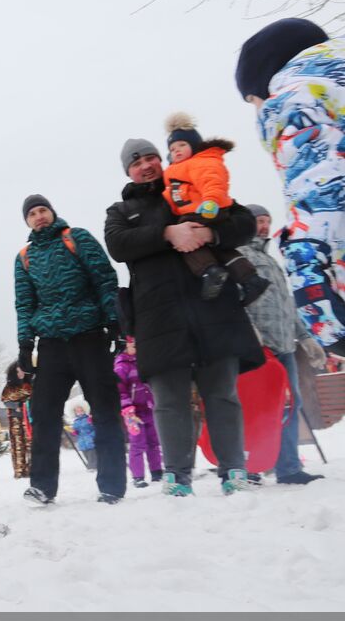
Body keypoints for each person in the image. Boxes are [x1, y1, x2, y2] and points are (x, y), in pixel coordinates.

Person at [105, 139, 263, 497]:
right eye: (137, 162)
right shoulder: (121, 211)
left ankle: (234, 470)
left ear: (161, 161)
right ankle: (177, 476)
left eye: (151, 158)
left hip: (213, 309)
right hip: (159, 318)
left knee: (222, 394)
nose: (146, 165)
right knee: (169, 402)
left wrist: (211, 232)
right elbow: (117, 244)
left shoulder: (190, 185)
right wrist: (166, 233)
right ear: (128, 171)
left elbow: (244, 223)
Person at [236, 17, 345, 349]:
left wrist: (313, 292)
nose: (257, 111)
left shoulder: (294, 102)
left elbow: (320, 189)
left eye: (252, 101)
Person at [14, 194, 126, 505]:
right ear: (27, 221)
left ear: (52, 212)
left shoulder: (76, 238)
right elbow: (24, 304)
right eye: (32, 214)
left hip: (88, 336)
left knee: (104, 409)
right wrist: (25, 344)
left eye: (43, 210)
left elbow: (105, 279)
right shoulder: (24, 257)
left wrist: (114, 322)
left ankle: (112, 485)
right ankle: (42, 486)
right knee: (43, 413)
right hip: (52, 344)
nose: (39, 216)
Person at [242, 204, 328, 484]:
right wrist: (249, 332)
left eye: (267, 221)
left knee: (290, 404)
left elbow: (287, 305)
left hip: (284, 346)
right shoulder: (239, 256)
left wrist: (306, 338)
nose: (265, 226)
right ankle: (252, 467)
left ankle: (288, 468)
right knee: (258, 406)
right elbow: (235, 299)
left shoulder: (270, 260)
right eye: (259, 221)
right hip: (259, 348)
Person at [161, 113, 268, 303]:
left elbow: (213, 182)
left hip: (206, 209)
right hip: (200, 210)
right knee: (220, 247)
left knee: (187, 241)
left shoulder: (200, 162)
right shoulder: (178, 169)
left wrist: (211, 202)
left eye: (182, 145)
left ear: (195, 146)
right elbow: (173, 194)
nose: (177, 151)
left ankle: (210, 271)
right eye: (172, 148)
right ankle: (250, 279)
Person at [114, 336, 163, 488]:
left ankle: (157, 471)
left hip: (149, 408)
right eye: (133, 346)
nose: (137, 349)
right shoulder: (122, 366)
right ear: (126, 346)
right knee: (137, 443)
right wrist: (127, 407)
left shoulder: (145, 361)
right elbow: (120, 390)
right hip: (132, 413)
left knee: (154, 442)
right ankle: (138, 476)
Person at [0, 361, 32, 479]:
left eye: (22, 371)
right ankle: (20, 470)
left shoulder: (31, 384)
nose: (20, 373)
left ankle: (32, 469)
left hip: (30, 418)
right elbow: (5, 401)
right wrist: (17, 405)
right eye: (18, 371)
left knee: (31, 443)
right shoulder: (9, 387)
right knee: (18, 444)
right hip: (16, 419)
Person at [70, 404, 97, 470]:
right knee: (86, 455)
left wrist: (92, 435)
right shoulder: (76, 422)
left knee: (92, 456)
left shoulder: (89, 419)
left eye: (81, 410)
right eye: (77, 411)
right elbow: (76, 431)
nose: (79, 412)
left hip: (90, 441)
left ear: (84, 410)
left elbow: (95, 428)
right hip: (82, 442)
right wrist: (74, 432)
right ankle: (92, 467)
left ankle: (93, 467)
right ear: (75, 412)